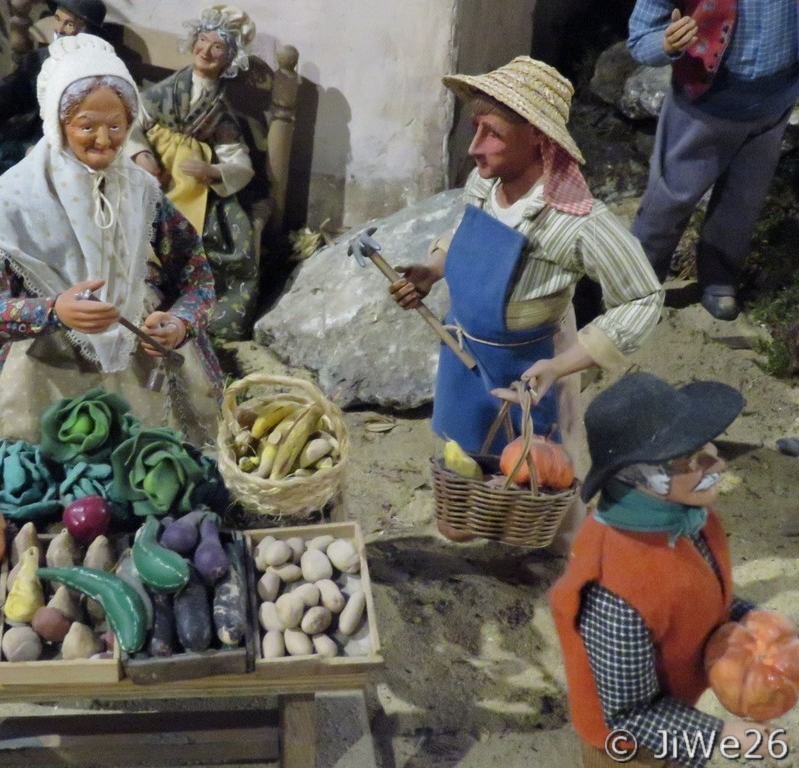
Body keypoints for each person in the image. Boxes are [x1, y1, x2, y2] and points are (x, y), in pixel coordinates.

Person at [388, 56, 663, 552]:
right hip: (465, 348)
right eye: (475, 128)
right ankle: (471, 510)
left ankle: (544, 538)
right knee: (465, 451)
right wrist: (431, 271)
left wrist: (561, 365)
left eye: (491, 132)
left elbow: (643, 298)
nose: (474, 148)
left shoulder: (574, 222)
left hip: (528, 362)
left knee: (537, 472)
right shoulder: (484, 183)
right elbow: (463, 234)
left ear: (537, 136)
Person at [0, 34, 222, 449]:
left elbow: (193, 271)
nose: (104, 140)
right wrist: (54, 309)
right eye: (86, 126)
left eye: (116, 126)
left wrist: (180, 322)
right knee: (21, 454)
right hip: (40, 349)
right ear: (58, 125)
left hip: (132, 333)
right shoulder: (16, 196)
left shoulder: (140, 189)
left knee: (162, 448)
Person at [549, 372, 778, 767]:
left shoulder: (688, 519)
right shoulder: (613, 588)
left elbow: (695, 595)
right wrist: (722, 735)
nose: (716, 463)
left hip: (673, 710)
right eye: (688, 459)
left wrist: (755, 619)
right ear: (640, 476)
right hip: (629, 749)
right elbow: (630, 713)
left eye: (707, 446)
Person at [627, 1, 799, 321]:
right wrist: (665, 43)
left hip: (774, 102)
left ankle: (720, 277)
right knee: (671, 198)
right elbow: (640, 37)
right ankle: (636, 284)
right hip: (705, 105)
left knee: (743, 199)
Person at [126, 5, 259, 341]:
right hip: (155, 175)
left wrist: (214, 170)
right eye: (202, 41)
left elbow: (239, 161)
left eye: (217, 47)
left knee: (223, 237)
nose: (206, 51)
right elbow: (130, 125)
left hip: (195, 189)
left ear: (229, 58)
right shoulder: (162, 93)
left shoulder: (221, 113)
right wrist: (142, 156)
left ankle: (193, 313)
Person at [0, 0, 108, 220]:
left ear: (88, 31)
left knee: (32, 208)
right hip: (29, 137)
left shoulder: (101, 71)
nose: (59, 29)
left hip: (69, 151)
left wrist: (49, 147)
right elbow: (16, 85)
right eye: (58, 19)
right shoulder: (44, 58)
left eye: (69, 24)